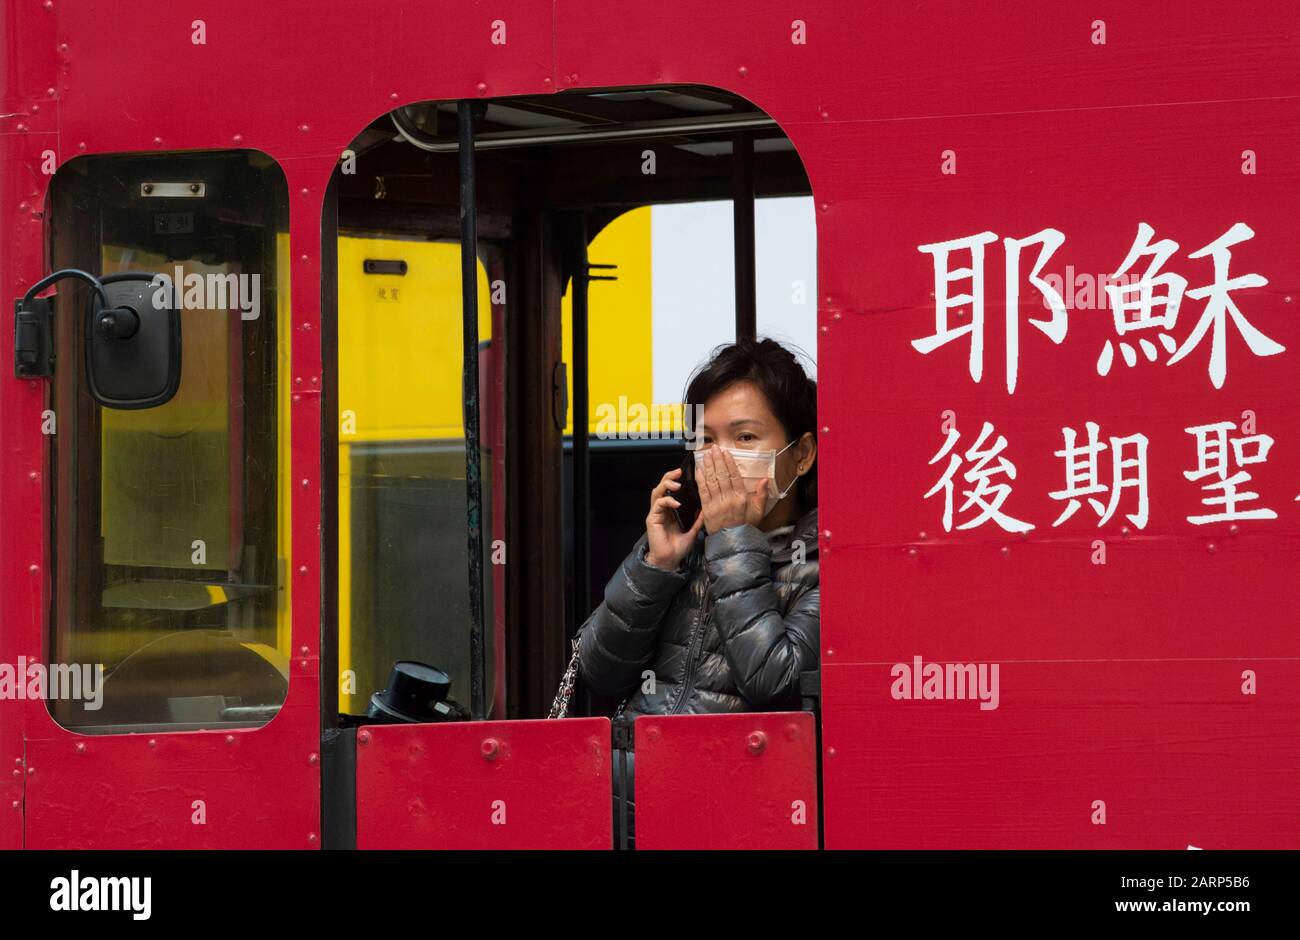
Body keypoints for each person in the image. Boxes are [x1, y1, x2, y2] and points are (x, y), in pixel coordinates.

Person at [576, 338, 820, 846]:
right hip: (625, 803)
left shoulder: (823, 560)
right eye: (707, 440)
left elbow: (776, 684)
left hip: (730, 810)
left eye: (745, 437)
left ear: (801, 454)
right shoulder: (685, 539)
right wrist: (655, 565)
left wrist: (735, 542)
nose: (721, 458)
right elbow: (597, 670)